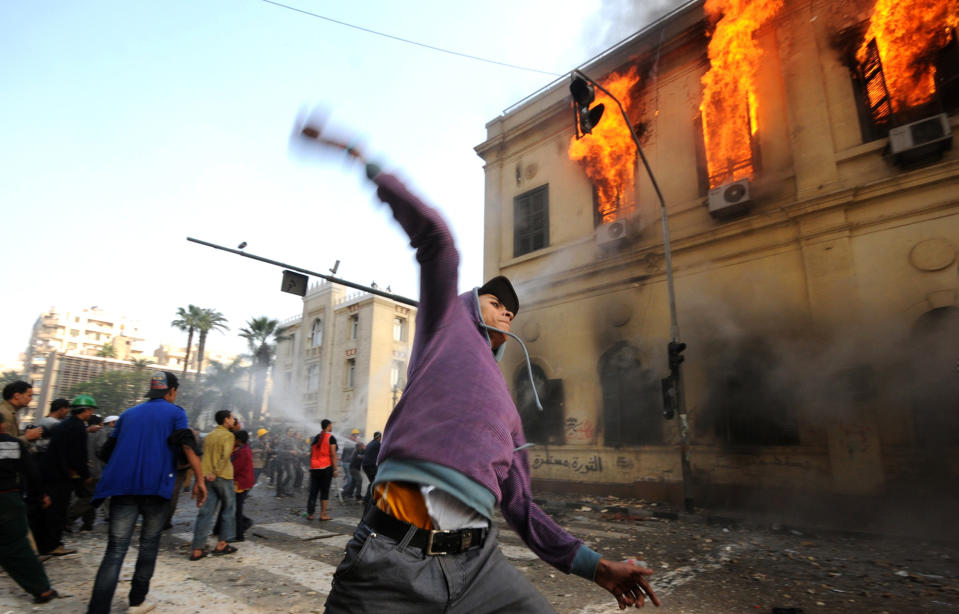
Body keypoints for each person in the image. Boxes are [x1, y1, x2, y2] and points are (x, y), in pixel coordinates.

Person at [298, 122, 659, 612]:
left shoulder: (507, 410)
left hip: (479, 568)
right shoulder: (443, 326)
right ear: (474, 302)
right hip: (391, 562)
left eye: (512, 311)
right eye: (496, 303)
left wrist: (598, 567)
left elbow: (524, 510)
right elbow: (437, 241)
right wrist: (364, 159)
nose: (507, 313)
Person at [86, 371, 207, 614]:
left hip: (122, 488)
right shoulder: (176, 412)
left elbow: (108, 451)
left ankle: (97, 609)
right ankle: (136, 602)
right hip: (156, 488)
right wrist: (200, 480)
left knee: (115, 549)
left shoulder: (128, 414)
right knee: (149, 545)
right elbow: (186, 444)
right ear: (172, 391)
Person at [0, 413, 58, 604]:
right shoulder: (10, 444)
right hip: (6, 499)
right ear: (2, 425)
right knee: (16, 546)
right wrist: (41, 495)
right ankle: (41, 590)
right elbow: (31, 473)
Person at [37, 394, 98, 556]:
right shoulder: (78, 428)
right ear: (85, 411)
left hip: (51, 473)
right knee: (58, 511)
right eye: (90, 410)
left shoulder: (66, 425)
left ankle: (44, 543)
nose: (91, 413)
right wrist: (85, 475)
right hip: (60, 475)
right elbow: (77, 456)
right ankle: (52, 545)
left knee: (51, 510)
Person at [190, 409, 238, 560]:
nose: (233, 420)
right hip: (222, 476)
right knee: (228, 509)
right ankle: (222, 544)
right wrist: (216, 472)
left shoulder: (209, 436)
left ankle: (197, 549)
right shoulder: (228, 435)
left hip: (206, 476)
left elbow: (204, 456)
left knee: (206, 512)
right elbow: (225, 457)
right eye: (231, 418)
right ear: (225, 420)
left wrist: (206, 475)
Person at [306, 419, 337, 521]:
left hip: (314, 468)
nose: (332, 427)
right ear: (328, 426)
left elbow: (311, 453)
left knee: (313, 491)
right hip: (326, 468)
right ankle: (323, 514)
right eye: (331, 425)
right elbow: (333, 454)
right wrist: (335, 469)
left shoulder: (316, 438)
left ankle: (310, 514)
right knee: (324, 491)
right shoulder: (330, 438)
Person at [339, 428, 361, 498]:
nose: (356, 437)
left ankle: (348, 493)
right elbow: (352, 453)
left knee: (352, 479)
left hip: (349, 463)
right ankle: (342, 492)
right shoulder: (349, 443)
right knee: (350, 480)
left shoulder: (352, 442)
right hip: (347, 463)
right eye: (355, 436)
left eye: (357, 436)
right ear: (352, 436)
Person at [361, 431, 381, 503]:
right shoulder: (377, 444)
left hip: (365, 465)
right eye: (380, 437)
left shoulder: (370, 443)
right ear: (379, 437)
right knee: (374, 482)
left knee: (373, 481)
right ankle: (368, 499)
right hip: (370, 465)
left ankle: (367, 498)